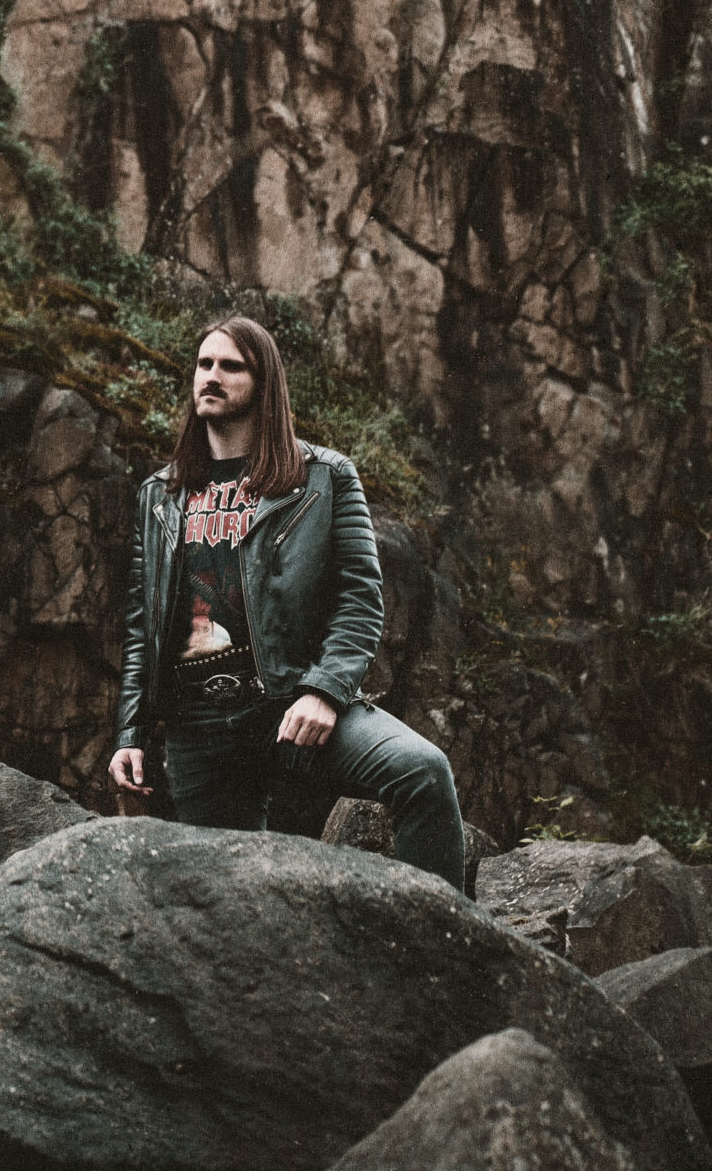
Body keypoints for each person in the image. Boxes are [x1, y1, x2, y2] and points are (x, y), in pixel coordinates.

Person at [109, 316, 465, 889]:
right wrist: (131, 735)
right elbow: (141, 629)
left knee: (422, 772)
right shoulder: (161, 494)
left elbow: (360, 601)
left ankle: (440, 940)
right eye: (204, 364)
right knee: (224, 898)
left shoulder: (323, 477)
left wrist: (324, 691)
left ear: (264, 383)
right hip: (198, 730)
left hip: (290, 706)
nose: (212, 376)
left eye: (231, 366)